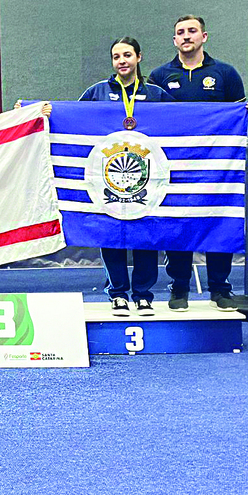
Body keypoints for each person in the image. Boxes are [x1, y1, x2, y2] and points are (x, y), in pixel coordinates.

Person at [149, 15, 248, 312]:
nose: (186, 36)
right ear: (174, 40)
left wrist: (247, 113)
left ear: (204, 36)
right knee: (178, 224)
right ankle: (179, 288)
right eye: (180, 32)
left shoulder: (225, 74)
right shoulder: (159, 76)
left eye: (192, 31)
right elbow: (151, 120)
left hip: (219, 167)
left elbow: (238, 114)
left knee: (218, 221)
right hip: (175, 167)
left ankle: (220, 288)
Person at [78, 36, 173, 316]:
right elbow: (72, 118)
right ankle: (117, 294)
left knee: (145, 234)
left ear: (139, 58)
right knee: (112, 234)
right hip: (107, 178)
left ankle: (143, 294)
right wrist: (40, 110)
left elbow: (183, 119)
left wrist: (234, 113)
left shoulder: (155, 94)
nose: (122, 61)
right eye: (117, 57)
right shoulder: (97, 92)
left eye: (127, 55)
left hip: (146, 178)